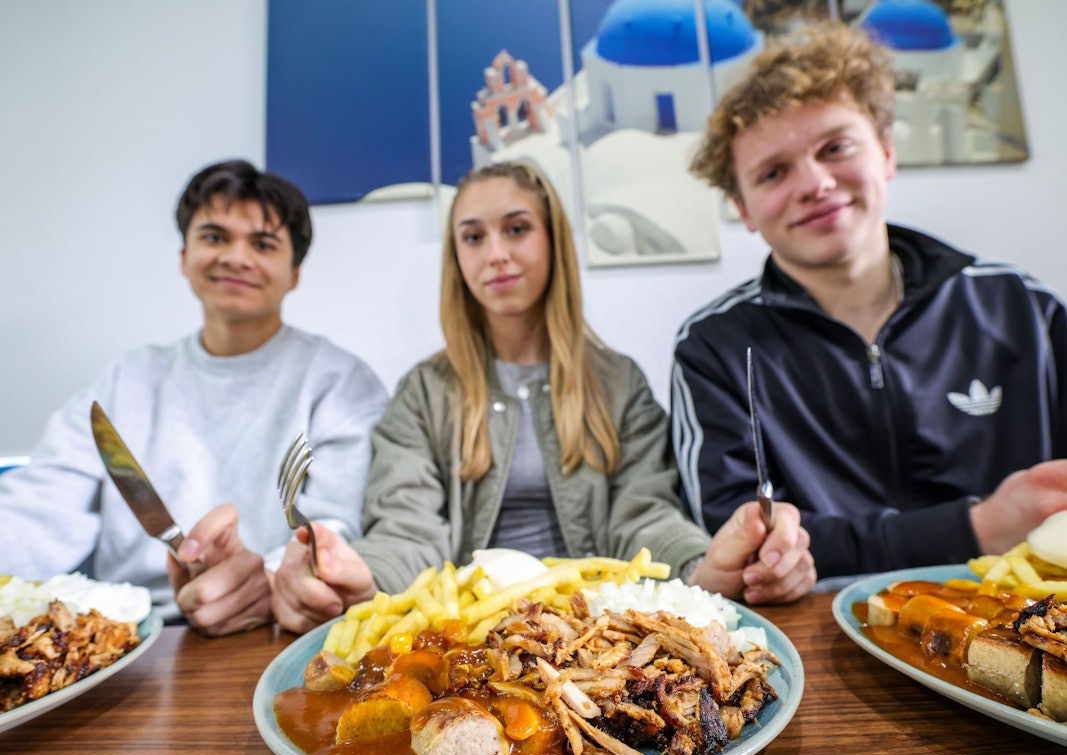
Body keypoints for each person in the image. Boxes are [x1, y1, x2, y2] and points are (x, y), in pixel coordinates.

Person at [271, 161, 815, 633]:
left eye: (517, 228)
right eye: (473, 236)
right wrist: (358, 575)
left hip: (599, 630)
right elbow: (407, 528)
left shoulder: (619, 382)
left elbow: (645, 515)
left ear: (553, 240)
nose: (496, 254)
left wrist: (700, 565)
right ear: (456, 257)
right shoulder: (422, 393)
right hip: (469, 634)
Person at [672, 22, 1067, 585]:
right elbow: (740, 546)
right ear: (745, 209)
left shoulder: (1024, 307)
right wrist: (978, 526)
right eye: (774, 172)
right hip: (822, 636)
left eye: (835, 148)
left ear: (885, 151)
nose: (815, 183)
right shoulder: (714, 348)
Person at [0, 159, 388, 635]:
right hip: (124, 633)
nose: (236, 257)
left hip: (276, 630)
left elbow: (334, 526)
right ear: (184, 257)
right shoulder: (128, 378)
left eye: (263, 244)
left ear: (294, 273)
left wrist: (266, 582)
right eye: (215, 237)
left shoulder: (341, 381)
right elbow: (42, 507)